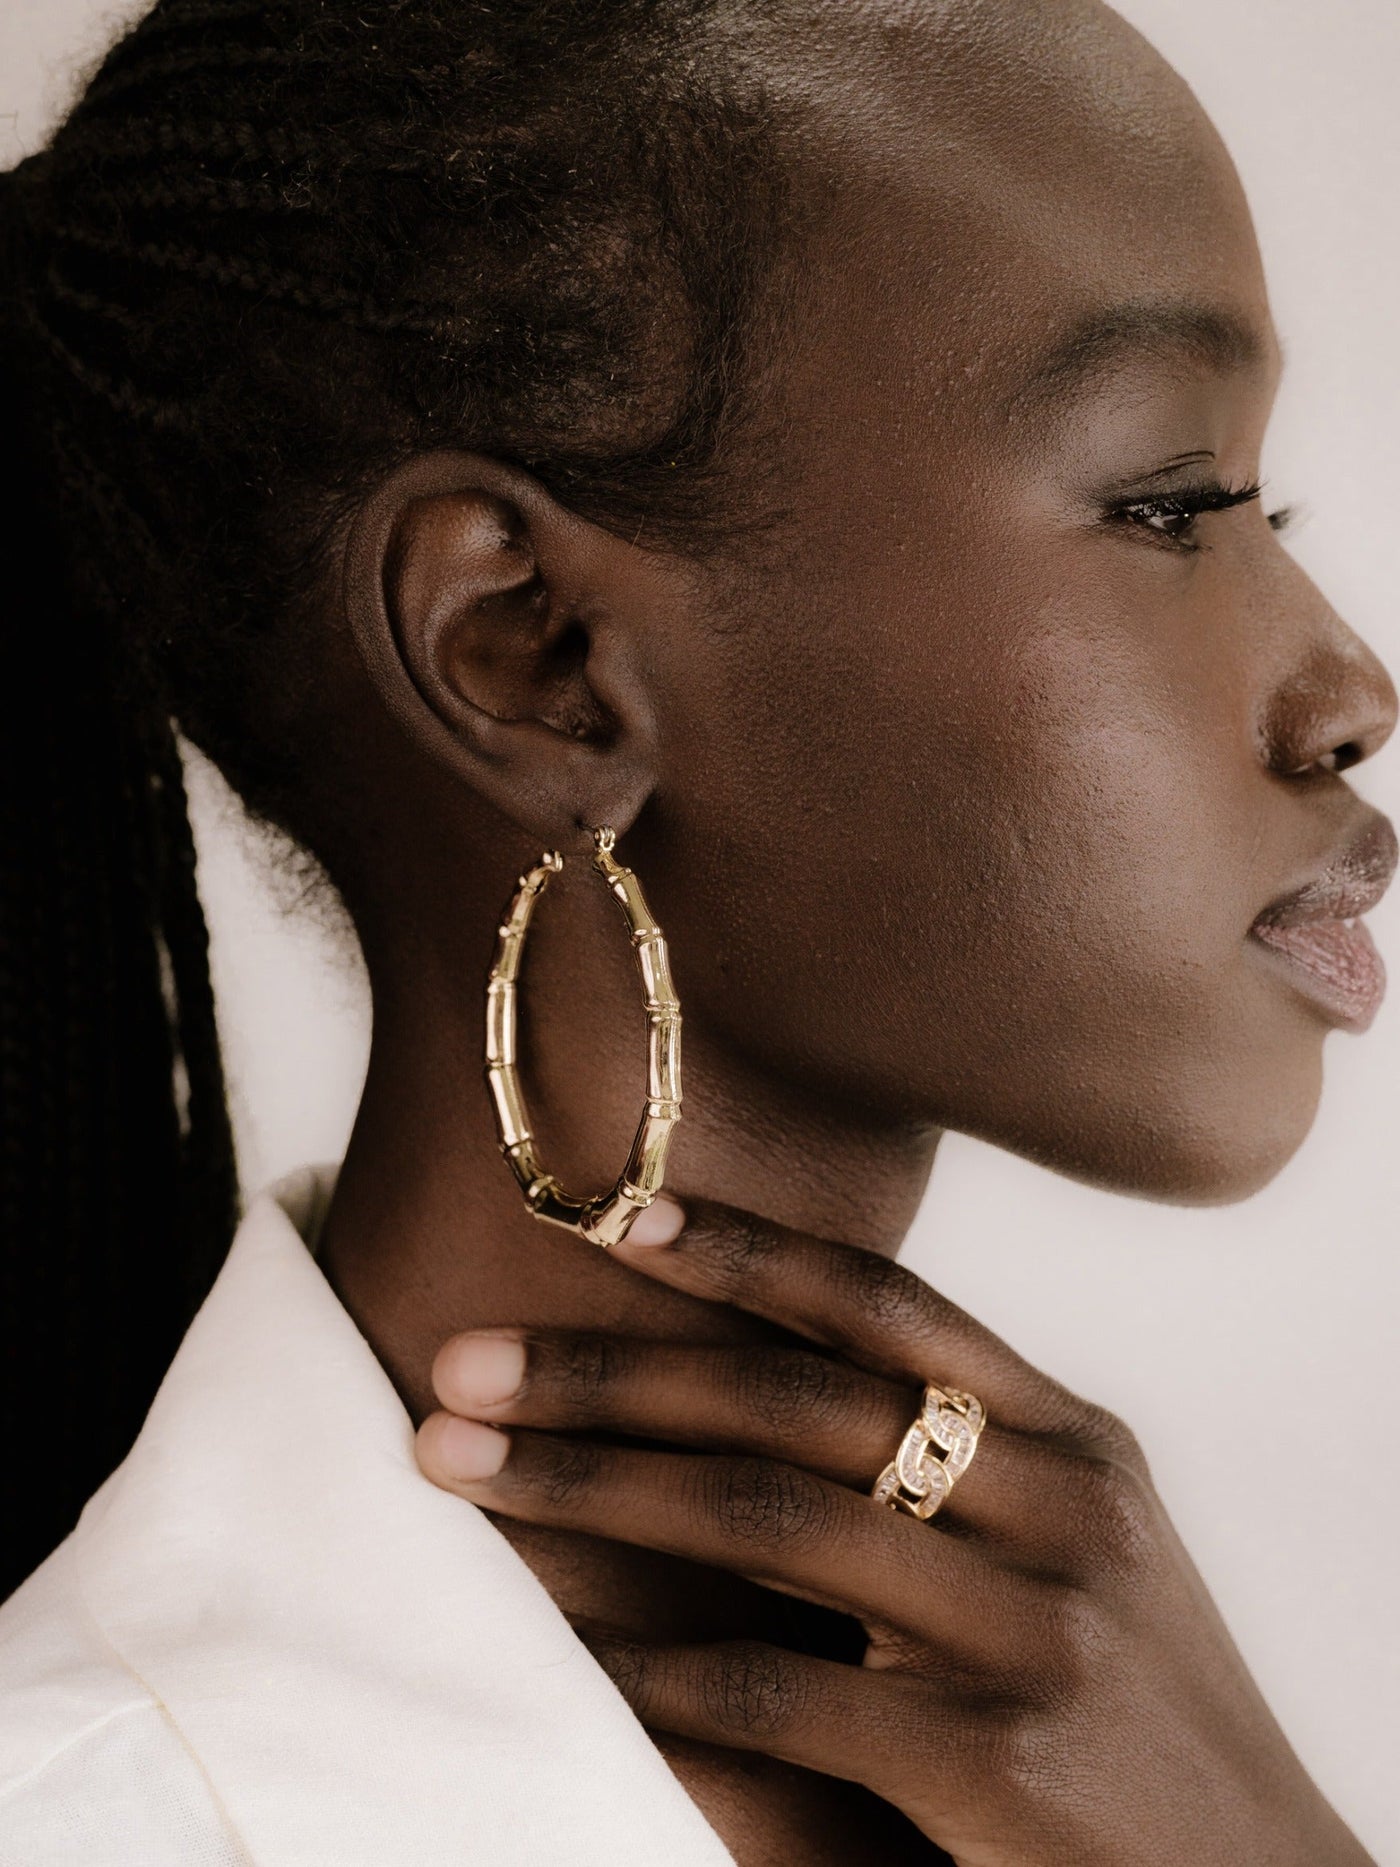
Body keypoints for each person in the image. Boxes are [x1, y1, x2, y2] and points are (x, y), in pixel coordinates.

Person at [0, 0, 1393, 1861]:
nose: (1347, 690)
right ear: (535, 656)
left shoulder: (1132, 1746)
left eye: (1266, 500)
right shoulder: (104, 1818)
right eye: (1171, 502)